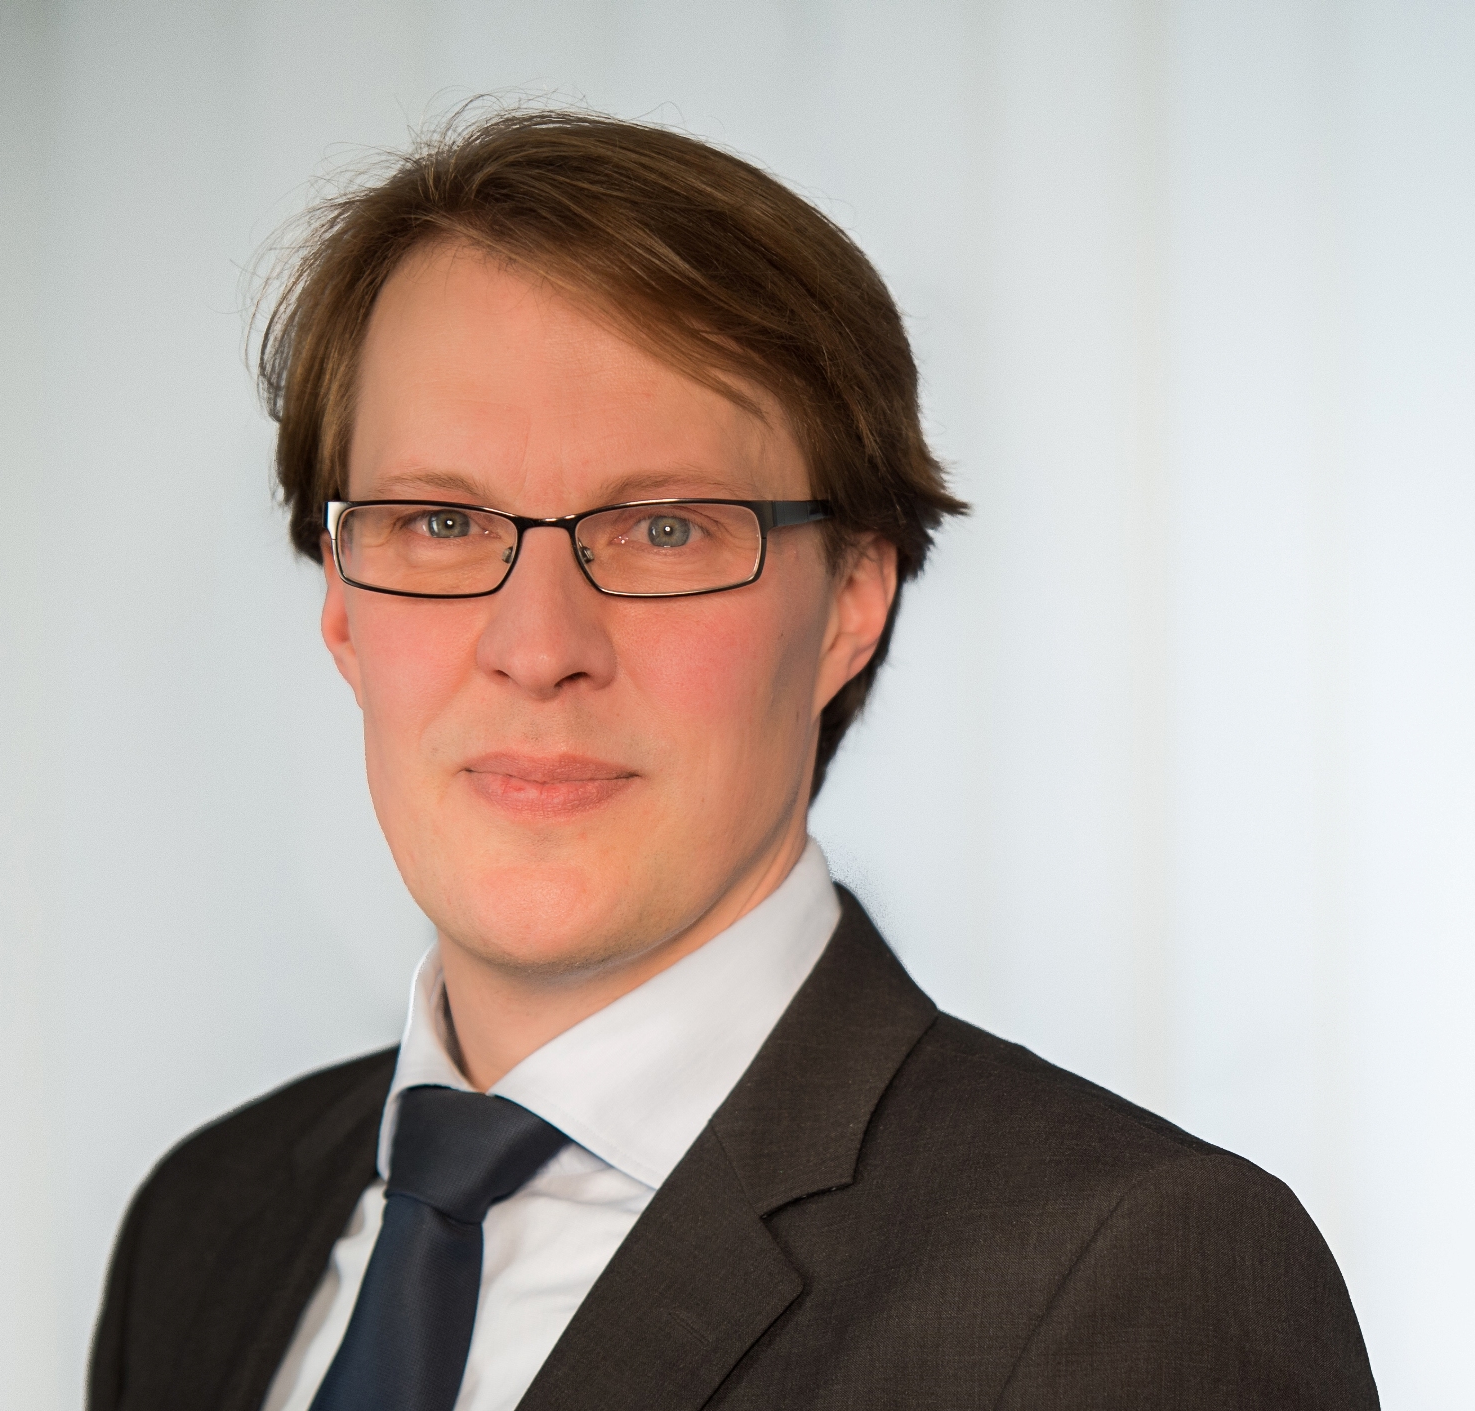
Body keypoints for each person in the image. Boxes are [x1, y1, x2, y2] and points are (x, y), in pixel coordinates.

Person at [88, 111, 1377, 1411]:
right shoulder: (205, 1227)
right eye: (438, 521)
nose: (538, 649)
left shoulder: (1127, 1276)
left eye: (663, 529)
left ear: (852, 601)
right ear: (340, 607)